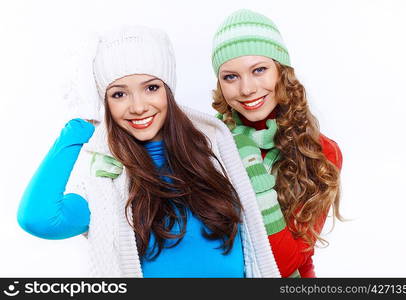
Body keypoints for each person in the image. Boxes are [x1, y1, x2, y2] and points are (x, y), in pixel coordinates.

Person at [17, 25, 282, 278]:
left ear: (169, 91)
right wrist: (79, 125)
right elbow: (39, 219)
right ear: (104, 103)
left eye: (151, 88)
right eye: (119, 95)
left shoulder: (218, 153)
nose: (138, 107)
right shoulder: (106, 184)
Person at [211, 9, 343, 277]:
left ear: (282, 72)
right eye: (231, 77)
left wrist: (254, 174)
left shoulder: (321, 153)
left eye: (259, 70)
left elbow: (284, 264)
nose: (247, 89)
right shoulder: (210, 143)